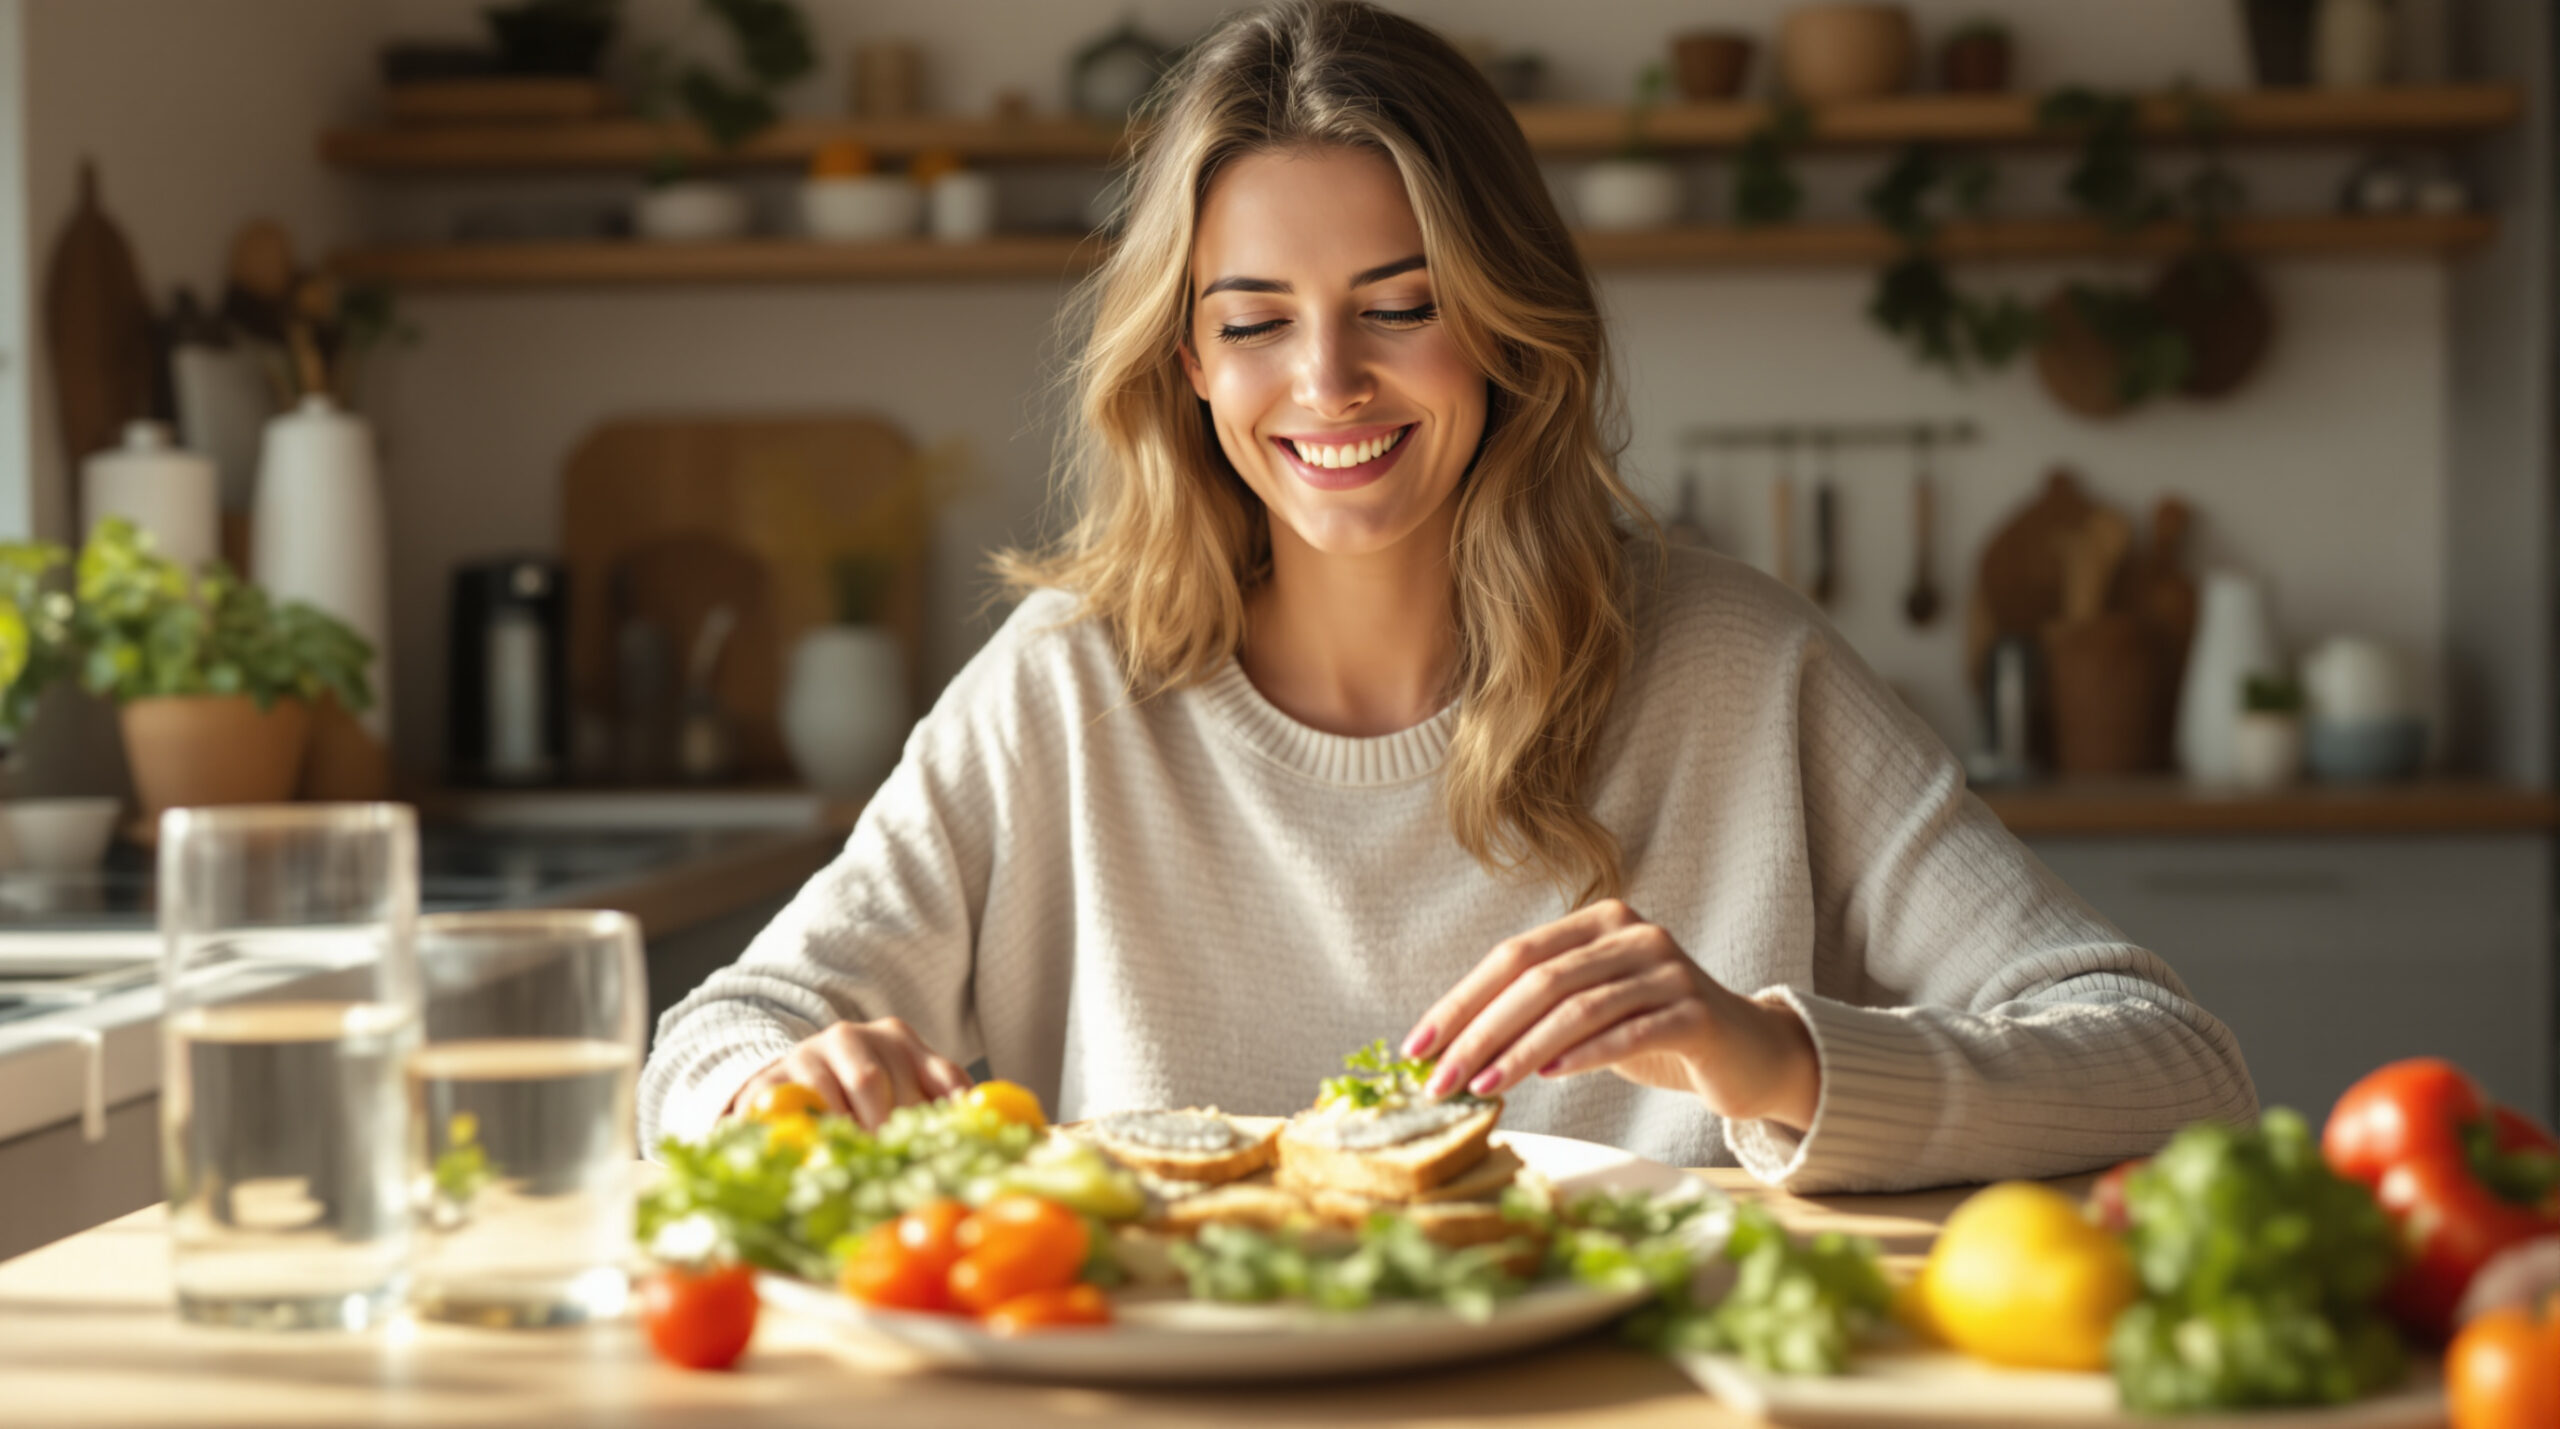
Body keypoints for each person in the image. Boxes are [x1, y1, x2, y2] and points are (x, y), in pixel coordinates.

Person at [639, 0, 2255, 1192]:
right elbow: (719, 1039)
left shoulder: (1736, 664)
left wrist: (1766, 1052)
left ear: (1503, 328)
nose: (1327, 381)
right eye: (1256, 319)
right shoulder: (1067, 684)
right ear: (1190, 363)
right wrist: (788, 1079)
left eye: (1399, 306)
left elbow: (2178, 1067)